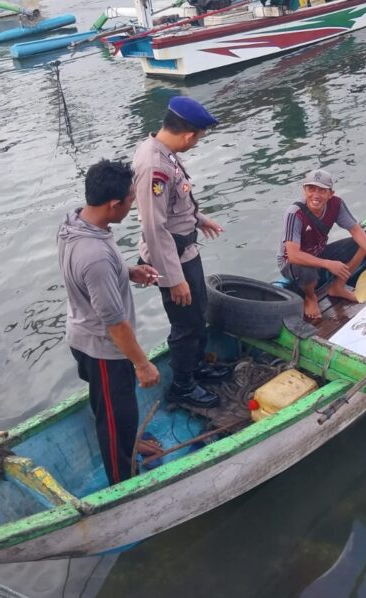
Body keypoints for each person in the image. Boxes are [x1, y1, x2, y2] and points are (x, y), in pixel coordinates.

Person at [58, 159, 162, 485]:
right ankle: (124, 482)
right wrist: (142, 364)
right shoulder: (95, 257)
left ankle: (129, 445)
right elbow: (115, 324)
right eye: (131, 201)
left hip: (81, 334)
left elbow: (93, 272)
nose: (133, 205)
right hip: (103, 349)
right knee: (117, 419)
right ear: (113, 204)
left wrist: (127, 270)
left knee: (116, 411)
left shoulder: (77, 221)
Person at [133, 96, 228, 409]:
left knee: (198, 313)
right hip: (171, 259)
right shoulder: (154, 166)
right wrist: (173, 279)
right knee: (185, 323)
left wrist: (199, 220)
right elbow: (154, 227)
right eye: (198, 137)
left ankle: (196, 365)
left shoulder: (166, 154)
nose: (196, 142)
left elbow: (176, 205)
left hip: (186, 251)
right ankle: (182, 386)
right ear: (189, 135)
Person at [276, 168, 366, 320]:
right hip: (291, 263)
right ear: (304, 190)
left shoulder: (336, 204)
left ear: (330, 194)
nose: (316, 195)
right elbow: (294, 255)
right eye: (311, 189)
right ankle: (310, 297)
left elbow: (355, 229)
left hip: (318, 252)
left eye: (322, 191)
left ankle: (338, 287)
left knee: (363, 242)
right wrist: (328, 264)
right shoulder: (294, 213)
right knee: (307, 271)